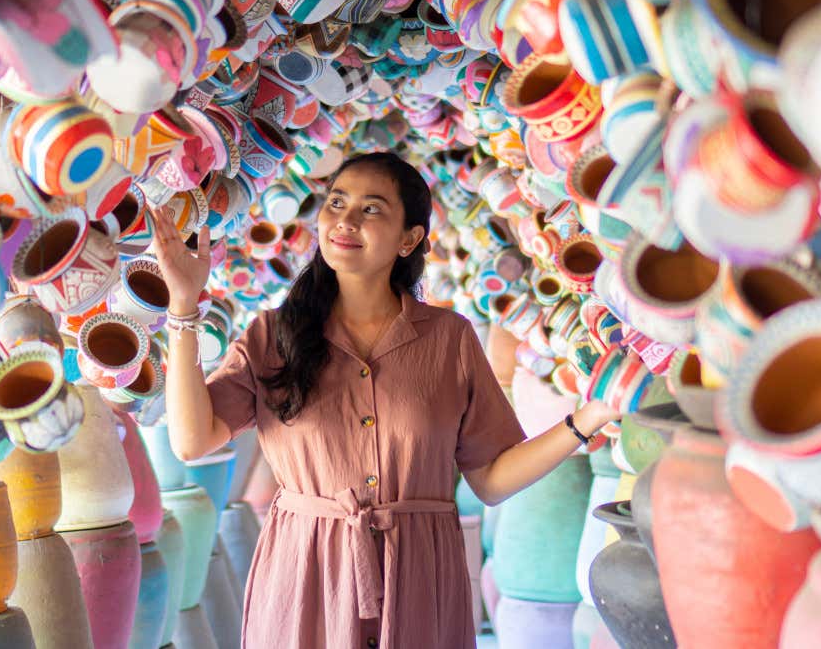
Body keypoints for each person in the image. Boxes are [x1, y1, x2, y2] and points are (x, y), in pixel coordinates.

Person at [151, 151, 617, 649]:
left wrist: (592, 416)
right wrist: (183, 307)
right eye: (337, 202)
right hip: (307, 573)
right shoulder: (273, 335)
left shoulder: (450, 339)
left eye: (371, 209)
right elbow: (191, 441)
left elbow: (493, 479)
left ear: (410, 238)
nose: (346, 220)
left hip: (421, 576)